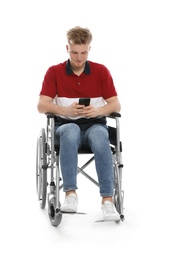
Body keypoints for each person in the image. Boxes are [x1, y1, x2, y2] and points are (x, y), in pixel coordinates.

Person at [37, 26, 121, 221]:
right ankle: (70, 196)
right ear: (67, 48)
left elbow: (116, 104)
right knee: (72, 129)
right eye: (74, 52)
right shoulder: (54, 72)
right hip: (65, 126)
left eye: (83, 53)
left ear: (89, 49)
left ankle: (108, 201)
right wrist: (65, 111)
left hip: (94, 124)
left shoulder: (101, 71)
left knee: (101, 136)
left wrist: (98, 110)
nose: (79, 58)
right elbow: (42, 105)